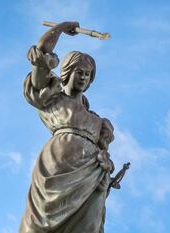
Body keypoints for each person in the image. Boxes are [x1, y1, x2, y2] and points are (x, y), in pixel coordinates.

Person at [20, 21, 115, 233]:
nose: (82, 77)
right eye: (78, 71)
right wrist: (62, 28)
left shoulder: (99, 122)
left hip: (90, 173)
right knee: (41, 224)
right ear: (67, 72)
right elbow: (42, 52)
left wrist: (106, 165)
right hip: (57, 166)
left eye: (87, 74)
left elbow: (104, 151)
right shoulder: (51, 96)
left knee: (88, 226)